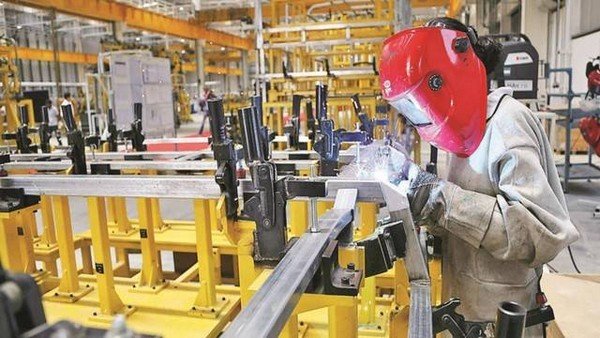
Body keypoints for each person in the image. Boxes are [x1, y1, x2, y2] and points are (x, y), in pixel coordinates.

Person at [379, 17, 579, 336]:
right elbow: (467, 217)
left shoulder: (506, 125)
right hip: (466, 312)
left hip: (504, 320)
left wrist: (438, 199)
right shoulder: (463, 130)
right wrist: (424, 210)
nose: (421, 119)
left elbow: (540, 236)